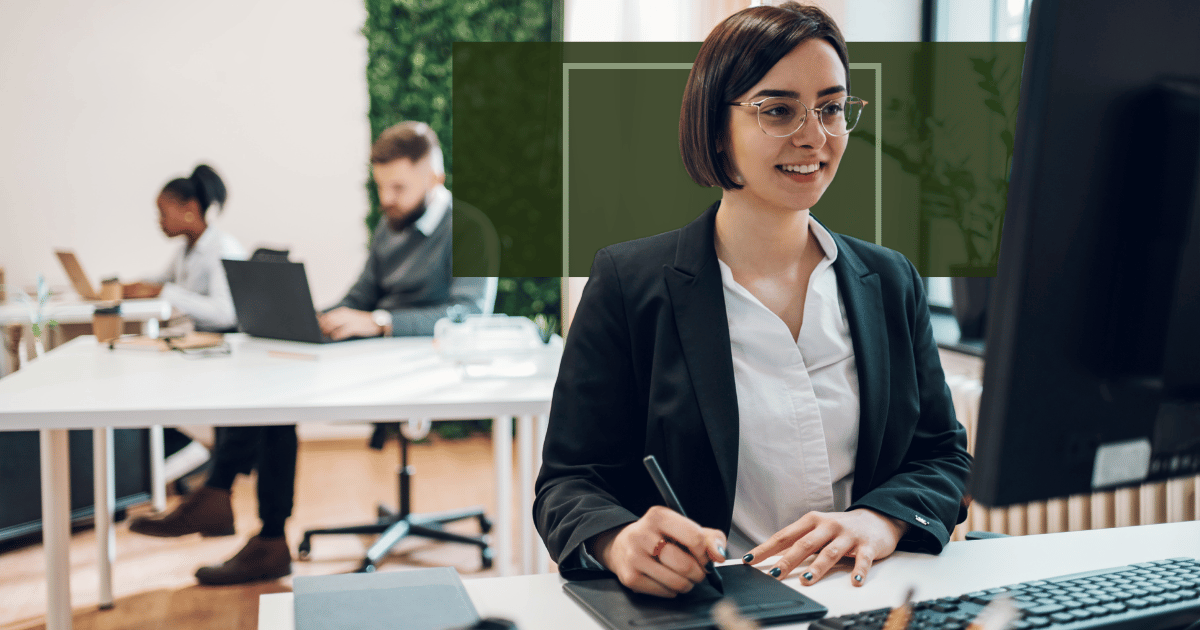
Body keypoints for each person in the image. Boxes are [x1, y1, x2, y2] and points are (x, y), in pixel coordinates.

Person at [533, 2, 972, 599]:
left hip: (870, 598)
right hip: (715, 608)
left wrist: (881, 520)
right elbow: (568, 483)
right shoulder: (628, 282)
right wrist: (620, 541)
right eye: (778, 110)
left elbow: (942, 456)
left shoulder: (890, 280)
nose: (814, 136)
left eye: (832, 108)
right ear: (716, 127)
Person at [129, 121, 490, 585]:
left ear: (434, 178)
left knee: (283, 395)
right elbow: (362, 294)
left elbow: (469, 315)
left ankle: (236, 511)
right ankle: (246, 520)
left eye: (399, 187)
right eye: (381, 187)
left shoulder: (472, 229)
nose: (387, 199)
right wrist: (316, 317)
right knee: (272, 374)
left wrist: (379, 322)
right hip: (377, 354)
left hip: (426, 365)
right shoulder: (390, 225)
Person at [122, 164, 246, 331]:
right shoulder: (186, 250)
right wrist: (130, 287)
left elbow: (225, 314)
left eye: (163, 213)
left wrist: (162, 292)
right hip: (193, 338)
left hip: (221, 344)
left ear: (190, 208)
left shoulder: (223, 249)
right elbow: (162, 280)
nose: (159, 221)